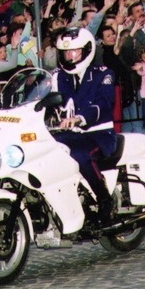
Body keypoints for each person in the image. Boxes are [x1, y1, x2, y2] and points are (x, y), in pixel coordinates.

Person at [52, 27, 117, 225]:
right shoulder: (58, 77)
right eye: (66, 52)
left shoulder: (103, 74)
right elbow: (42, 98)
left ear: (87, 50)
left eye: (75, 51)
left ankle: (105, 199)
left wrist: (80, 118)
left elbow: (104, 103)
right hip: (69, 134)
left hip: (98, 134)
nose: (70, 56)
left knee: (81, 154)